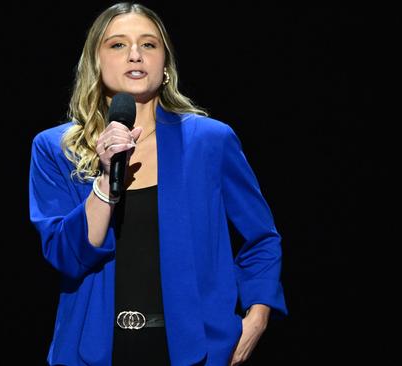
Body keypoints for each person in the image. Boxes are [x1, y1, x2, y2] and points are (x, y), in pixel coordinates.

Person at [28, 2, 287, 365]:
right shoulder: (55, 148)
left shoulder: (209, 141)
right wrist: (105, 178)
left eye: (148, 44)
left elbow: (261, 237)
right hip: (93, 353)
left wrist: (257, 316)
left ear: (165, 64)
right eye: (117, 45)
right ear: (96, 61)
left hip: (196, 352)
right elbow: (65, 256)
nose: (135, 55)